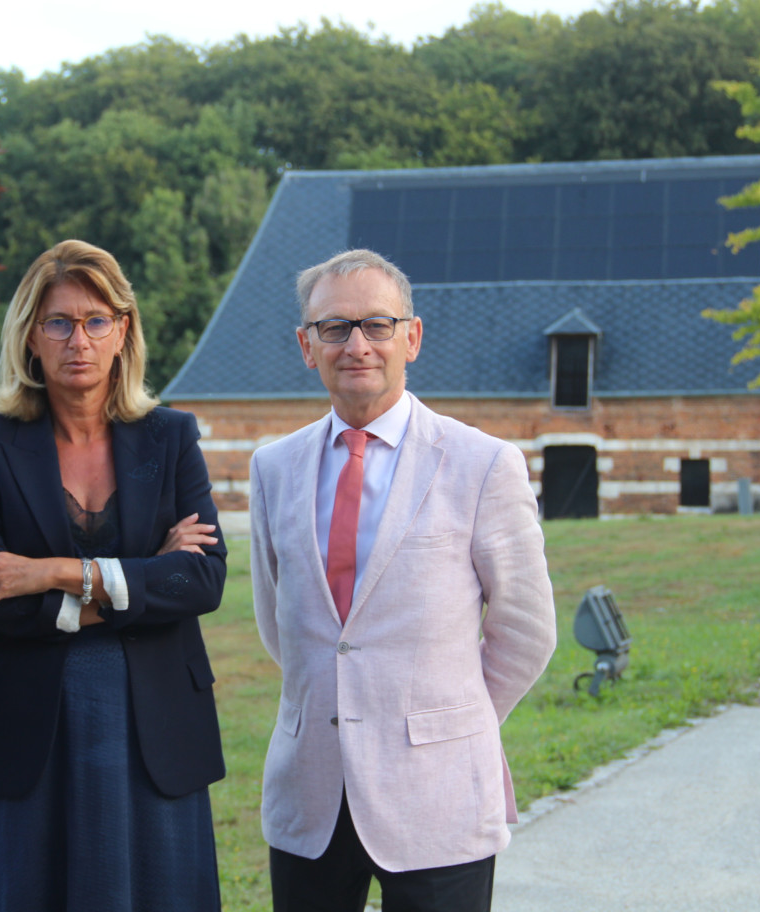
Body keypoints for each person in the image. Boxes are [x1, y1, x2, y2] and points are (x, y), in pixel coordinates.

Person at [248, 249, 556, 912]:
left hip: (437, 793)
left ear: (411, 337)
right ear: (307, 346)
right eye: (335, 328)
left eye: (377, 325)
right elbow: (282, 626)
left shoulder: (483, 464)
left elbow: (527, 633)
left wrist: (444, 723)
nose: (356, 344)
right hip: (311, 793)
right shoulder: (273, 468)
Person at [0, 239, 227, 911]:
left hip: (151, 723)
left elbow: (204, 581)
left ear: (123, 330)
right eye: (60, 322)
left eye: (97, 320)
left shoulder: (171, 437)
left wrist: (49, 572)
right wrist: (142, 577)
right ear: (30, 338)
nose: (80, 339)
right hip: (24, 729)